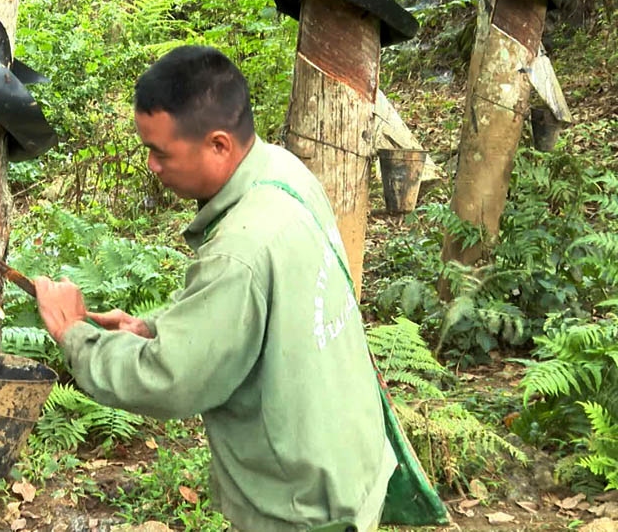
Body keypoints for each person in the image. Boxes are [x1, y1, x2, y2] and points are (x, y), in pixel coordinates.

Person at [35, 46, 395, 532]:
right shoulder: (286, 174)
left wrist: (76, 334)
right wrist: (155, 327)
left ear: (219, 145)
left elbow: (172, 380)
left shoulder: (240, 250)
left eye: (161, 152)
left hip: (300, 509)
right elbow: (262, 311)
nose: (151, 166)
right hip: (349, 465)